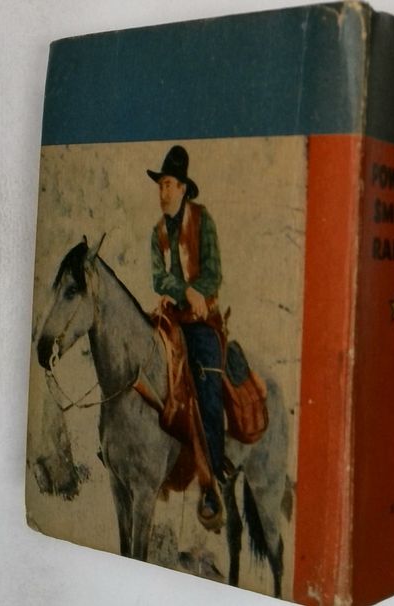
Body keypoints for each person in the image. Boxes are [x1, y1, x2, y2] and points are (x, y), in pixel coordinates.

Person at [147, 145, 224, 523]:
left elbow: (214, 271)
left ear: (182, 189)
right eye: (160, 185)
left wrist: (198, 294)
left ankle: (212, 483)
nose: (162, 192)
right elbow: (157, 278)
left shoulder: (202, 220)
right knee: (145, 376)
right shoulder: (157, 232)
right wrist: (184, 291)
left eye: (168, 184)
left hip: (201, 323)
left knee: (207, 390)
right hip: (172, 319)